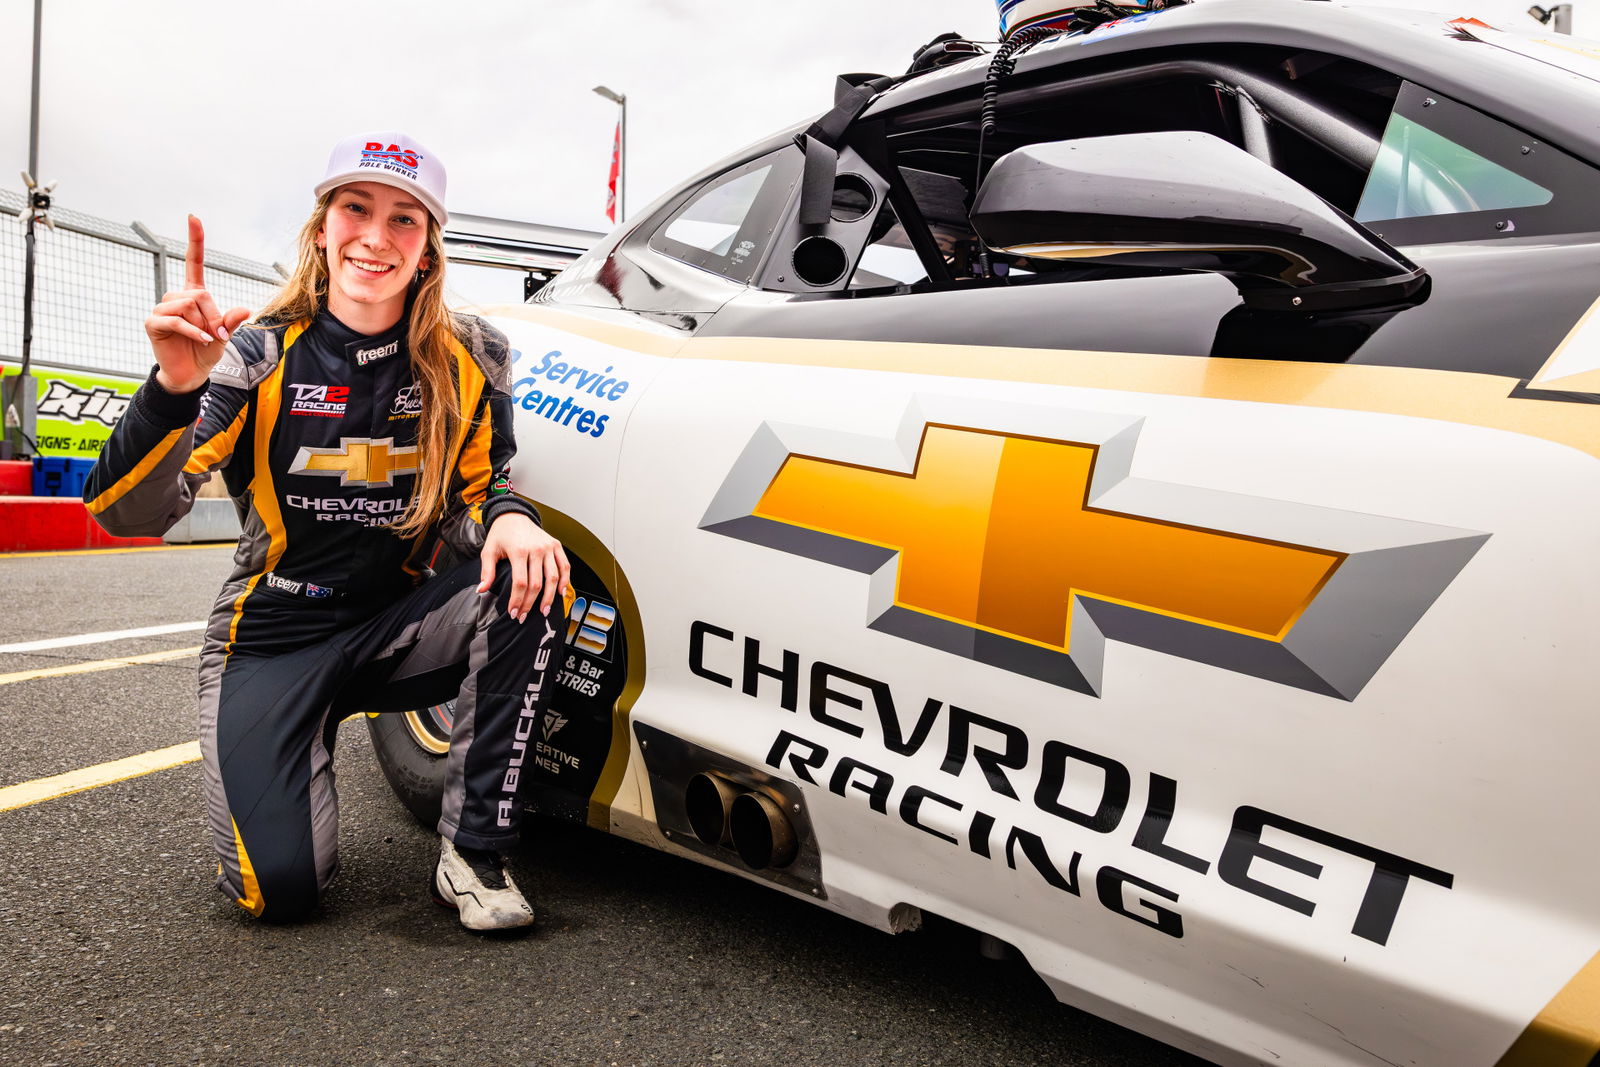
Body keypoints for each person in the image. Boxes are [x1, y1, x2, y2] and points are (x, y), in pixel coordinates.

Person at [83, 132, 570, 932]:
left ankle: (474, 851)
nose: (375, 236)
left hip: (399, 625)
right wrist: (173, 390)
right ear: (321, 228)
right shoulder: (255, 350)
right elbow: (128, 513)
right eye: (356, 208)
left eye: (403, 219)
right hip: (273, 634)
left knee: (531, 574)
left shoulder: (474, 353)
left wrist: (513, 518)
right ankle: (291, 740)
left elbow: (481, 490)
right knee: (276, 894)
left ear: (428, 248)